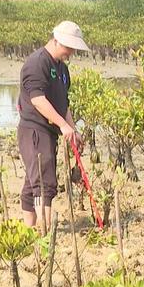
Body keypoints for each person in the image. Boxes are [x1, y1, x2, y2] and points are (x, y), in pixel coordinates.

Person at [17, 21, 87, 230]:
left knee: (33, 181)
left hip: (49, 132)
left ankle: (29, 228)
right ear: (56, 41)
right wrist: (62, 126)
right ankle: (44, 231)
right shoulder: (36, 64)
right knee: (43, 183)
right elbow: (38, 100)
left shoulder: (63, 69)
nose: (71, 52)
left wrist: (72, 130)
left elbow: (63, 104)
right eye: (69, 47)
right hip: (34, 130)